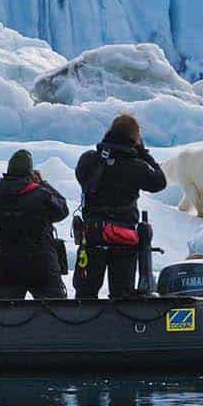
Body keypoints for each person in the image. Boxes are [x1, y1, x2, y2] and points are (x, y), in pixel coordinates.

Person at [73, 114, 167, 299]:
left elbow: (81, 177)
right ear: (134, 139)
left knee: (85, 295)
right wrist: (143, 153)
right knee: (122, 296)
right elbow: (159, 182)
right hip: (123, 237)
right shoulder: (136, 166)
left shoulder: (88, 160)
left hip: (93, 235)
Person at [0, 150, 70, 300]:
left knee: (2, 309)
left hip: (6, 263)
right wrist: (43, 183)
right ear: (29, 172)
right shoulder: (41, 194)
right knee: (54, 306)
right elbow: (62, 210)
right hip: (41, 262)